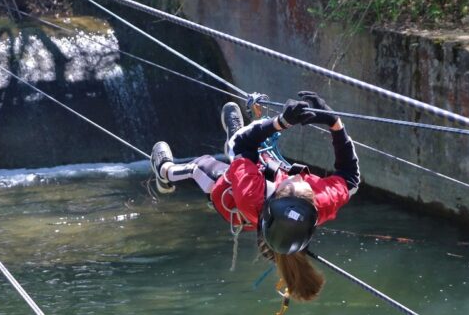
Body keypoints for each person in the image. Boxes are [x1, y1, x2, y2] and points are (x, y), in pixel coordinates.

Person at [150, 92, 360, 301]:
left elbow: (243, 146)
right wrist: (334, 122)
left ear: (276, 196)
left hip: (231, 198)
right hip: (262, 189)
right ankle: (237, 133)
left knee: (202, 165)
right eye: (303, 183)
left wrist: (282, 122)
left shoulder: (251, 194)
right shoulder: (322, 200)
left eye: (292, 182)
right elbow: (350, 178)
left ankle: (164, 171)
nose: (298, 179)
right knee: (255, 153)